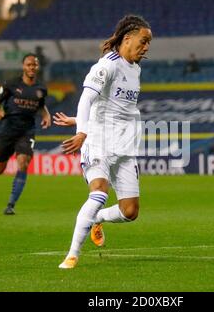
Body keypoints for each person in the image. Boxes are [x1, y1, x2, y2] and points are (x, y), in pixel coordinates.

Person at [53, 14, 152, 269]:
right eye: (143, 41)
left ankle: (96, 219)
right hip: (97, 141)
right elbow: (87, 98)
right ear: (127, 38)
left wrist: (76, 120)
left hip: (125, 145)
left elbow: (115, 107)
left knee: (130, 212)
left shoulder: (136, 69)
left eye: (148, 43)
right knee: (99, 192)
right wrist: (82, 131)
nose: (147, 47)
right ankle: (72, 254)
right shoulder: (107, 65)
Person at [0, 53, 51, 214]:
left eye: (34, 65)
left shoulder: (41, 88)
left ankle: (10, 204)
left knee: (23, 162)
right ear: (23, 66)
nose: (32, 67)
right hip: (8, 129)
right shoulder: (11, 84)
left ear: (37, 67)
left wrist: (46, 115)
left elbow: (41, 105)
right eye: (29, 65)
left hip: (27, 130)